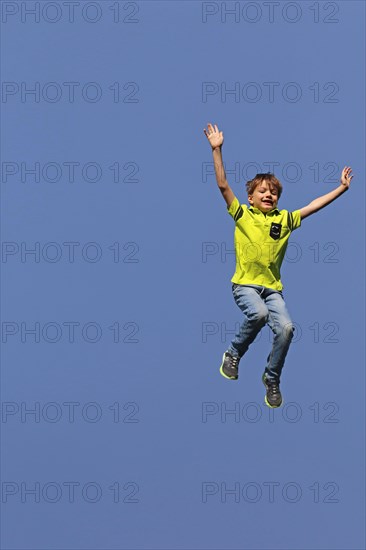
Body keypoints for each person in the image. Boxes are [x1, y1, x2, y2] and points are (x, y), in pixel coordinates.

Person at [203, 122, 354, 408]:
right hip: (246, 285)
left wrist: (341, 189)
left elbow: (312, 206)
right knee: (257, 315)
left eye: (273, 192)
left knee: (286, 329)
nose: (268, 195)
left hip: (273, 290)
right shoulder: (242, 214)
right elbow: (223, 185)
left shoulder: (283, 220)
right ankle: (233, 353)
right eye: (262, 191)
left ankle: (271, 378)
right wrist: (217, 149)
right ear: (251, 198)